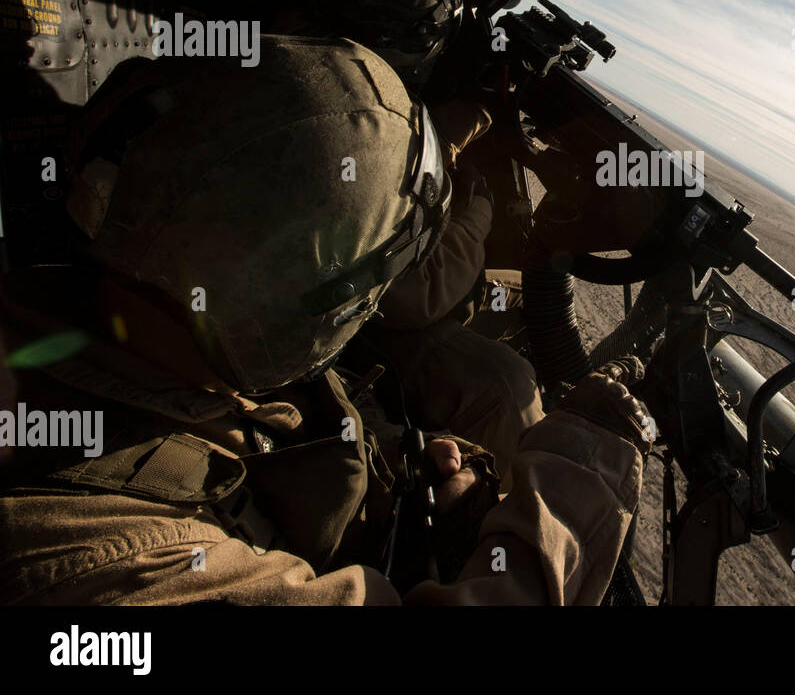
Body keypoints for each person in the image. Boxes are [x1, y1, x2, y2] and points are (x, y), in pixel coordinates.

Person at [0, 40, 648, 604]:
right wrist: (582, 478)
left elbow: (250, 436)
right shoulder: (124, 563)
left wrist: (411, 478)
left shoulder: (169, 329)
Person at [316, 0, 543, 488]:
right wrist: (476, 208)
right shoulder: (359, 126)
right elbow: (411, 298)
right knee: (510, 386)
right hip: (345, 334)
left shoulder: (309, 74)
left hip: (300, 309)